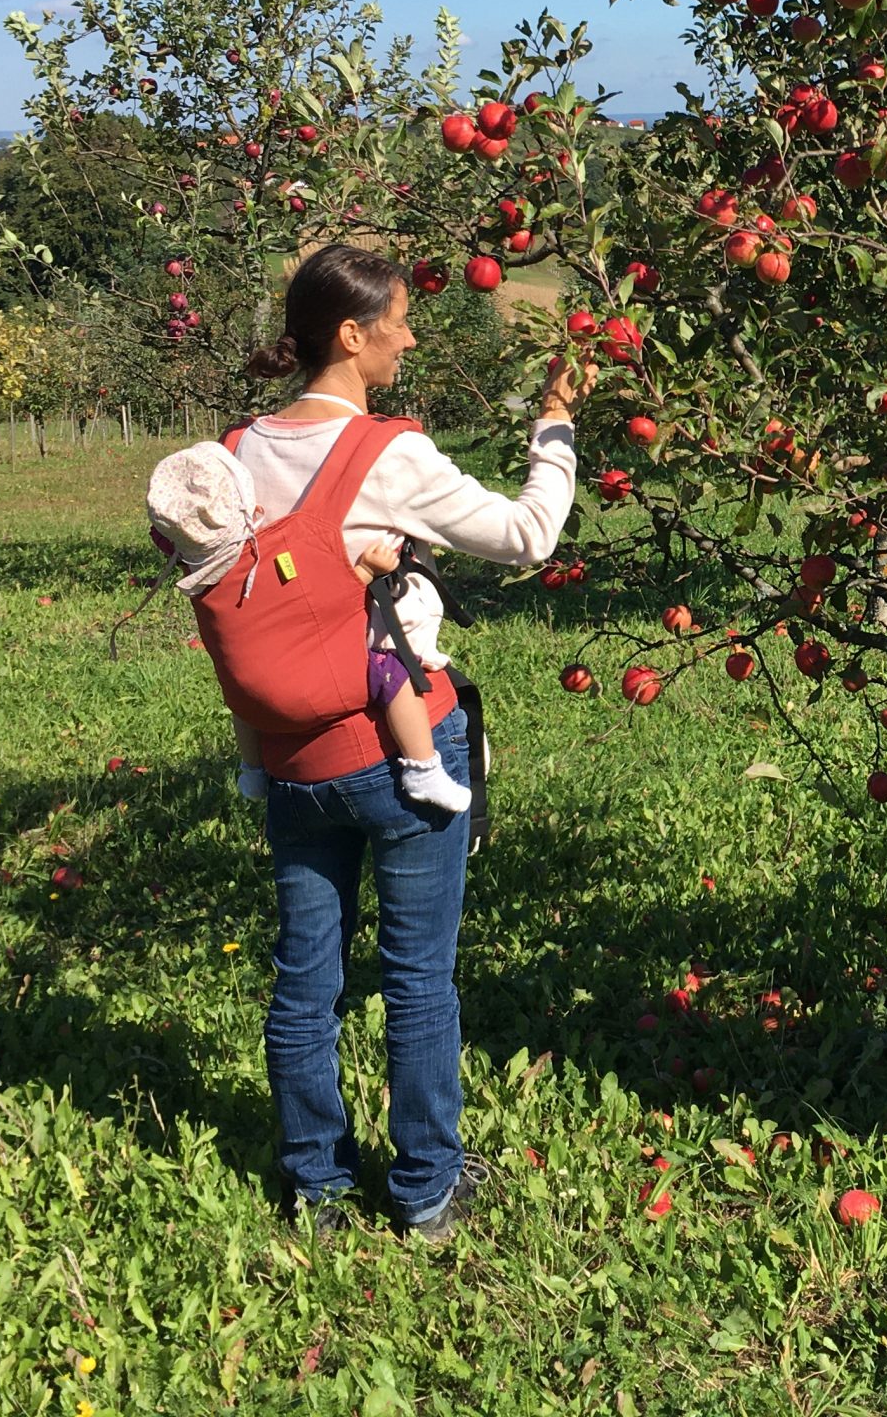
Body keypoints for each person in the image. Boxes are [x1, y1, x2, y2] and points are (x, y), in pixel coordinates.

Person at [215, 243, 589, 1241]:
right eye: (400, 321)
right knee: (419, 976)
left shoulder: (236, 451)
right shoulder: (387, 452)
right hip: (400, 746)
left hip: (292, 751)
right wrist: (554, 430)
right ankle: (424, 1190)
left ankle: (315, 1188)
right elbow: (525, 537)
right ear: (352, 334)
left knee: (306, 976)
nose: (412, 336)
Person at [147, 454, 462, 813]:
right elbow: (325, 602)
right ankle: (423, 768)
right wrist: (367, 570)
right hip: (313, 683)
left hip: (255, 697)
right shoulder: (259, 561)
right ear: (249, 512)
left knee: (241, 699)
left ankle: (252, 771)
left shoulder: (194, 569)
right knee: (392, 672)